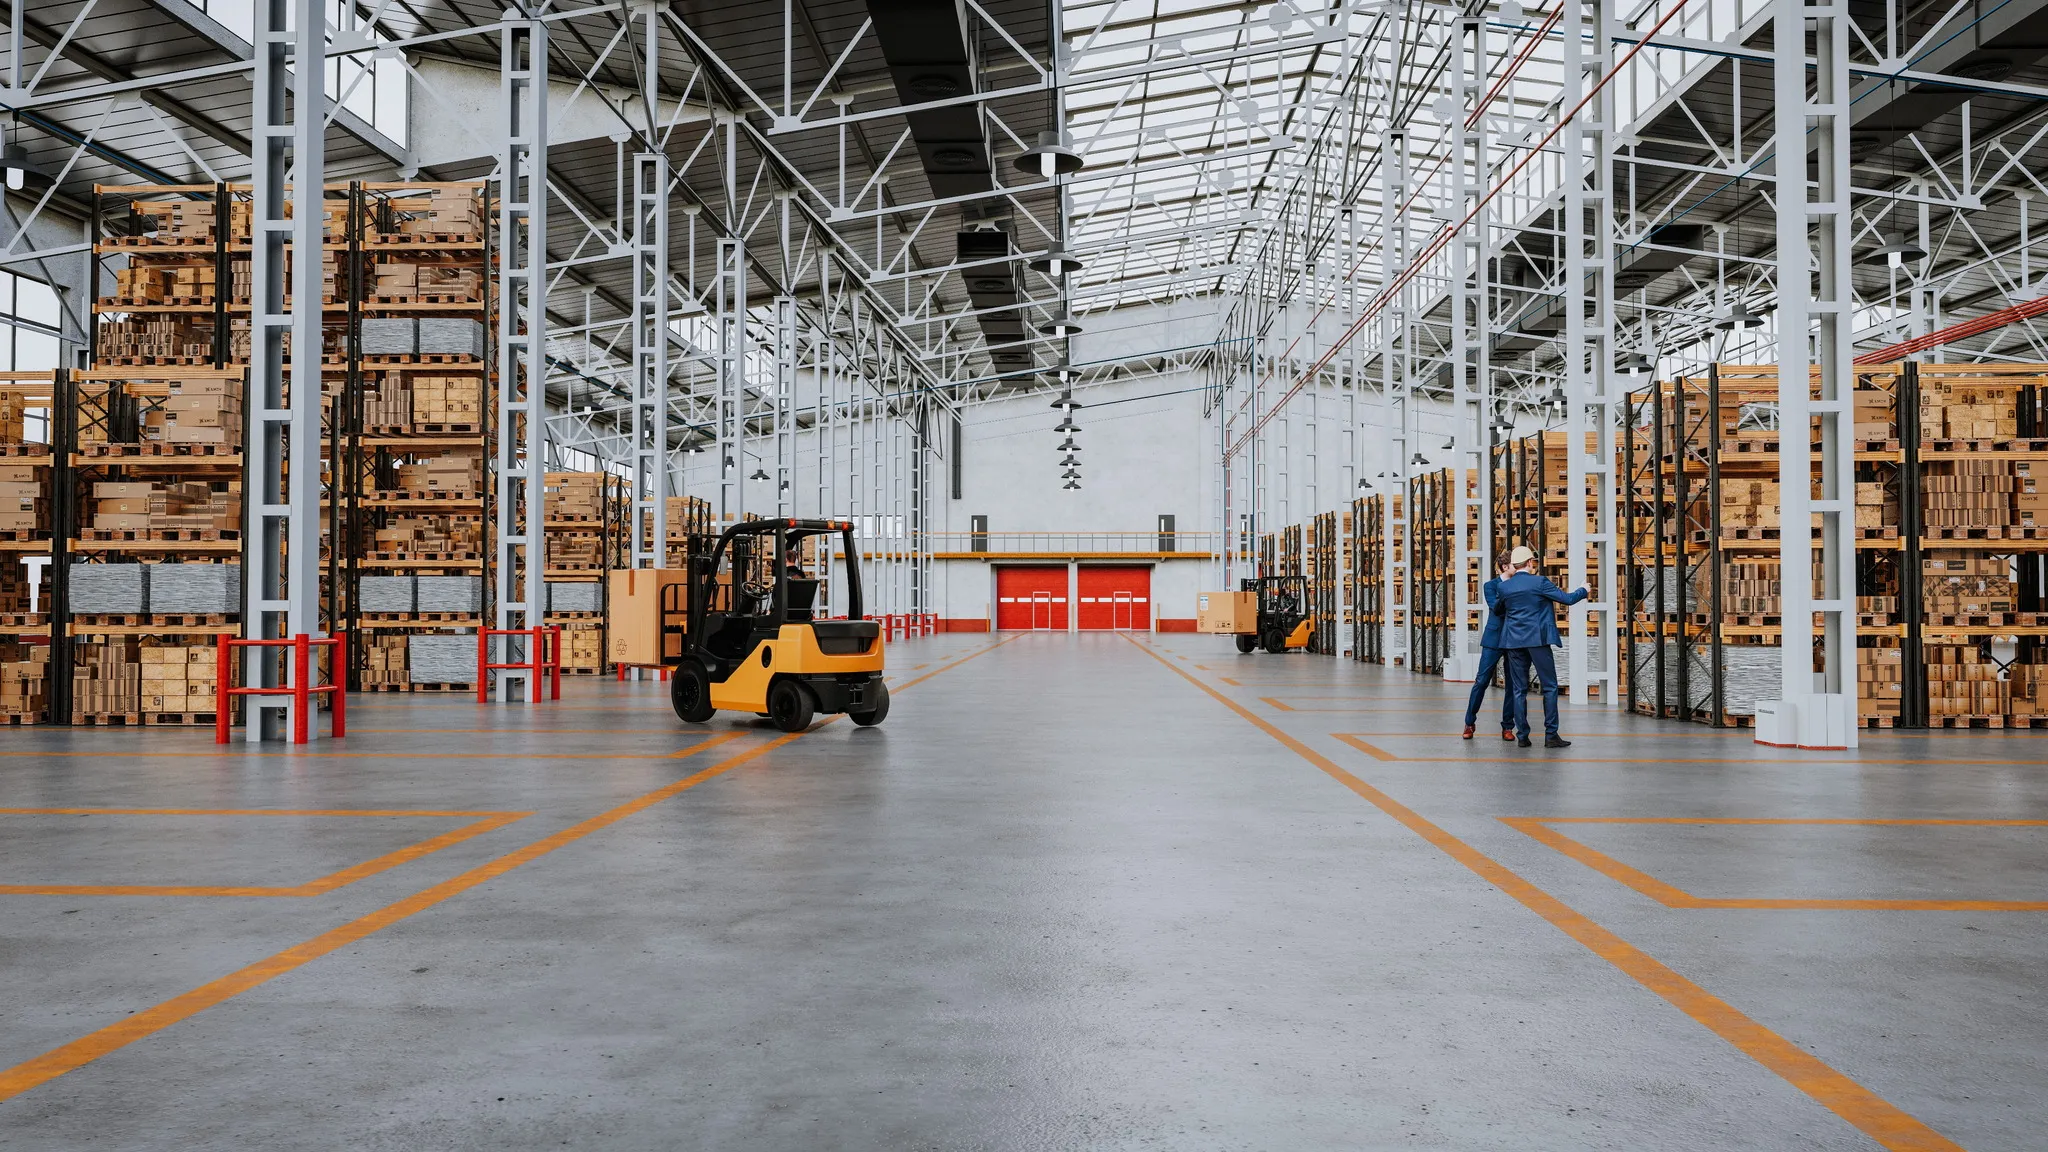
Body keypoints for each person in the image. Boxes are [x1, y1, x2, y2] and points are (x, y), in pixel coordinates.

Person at [1490, 545, 1589, 748]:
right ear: (1529, 563)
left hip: (1513, 642)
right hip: (1537, 641)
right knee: (1550, 687)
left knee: (1519, 689)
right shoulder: (1539, 582)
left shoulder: (1504, 587)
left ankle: (1523, 736)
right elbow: (1567, 599)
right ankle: (1551, 735)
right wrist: (1583, 590)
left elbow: (1498, 609)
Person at [1463, 559, 1519, 741]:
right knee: (1481, 680)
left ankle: (1507, 727)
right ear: (1505, 567)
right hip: (1494, 639)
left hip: (1514, 639)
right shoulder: (1490, 586)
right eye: (1514, 565)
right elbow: (1496, 608)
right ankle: (1469, 722)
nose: (1518, 569)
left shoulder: (1520, 585)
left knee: (1512, 684)